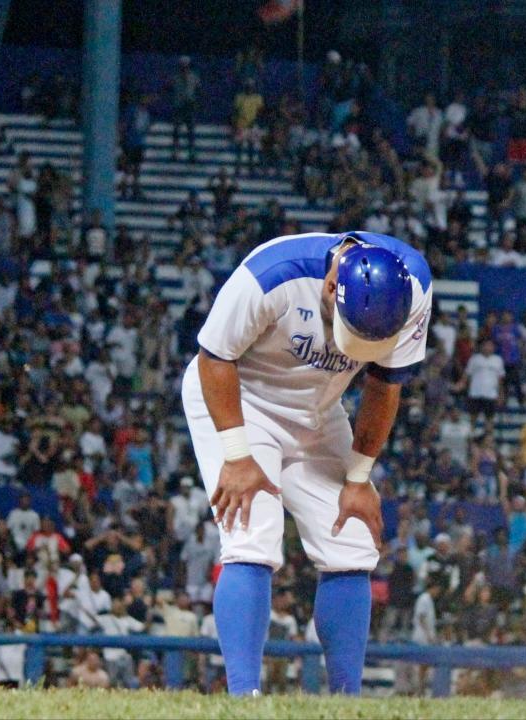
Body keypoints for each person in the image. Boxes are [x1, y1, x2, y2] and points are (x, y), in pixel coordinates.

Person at [181, 231, 432, 696]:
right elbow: (213, 357)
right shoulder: (272, 274)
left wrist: (359, 478)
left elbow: (383, 386)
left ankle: (346, 701)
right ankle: (243, 697)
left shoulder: (412, 286)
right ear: (333, 285)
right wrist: (237, 454)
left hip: (317, 410)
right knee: (252, 530)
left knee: (352, 538)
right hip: (241, 397)